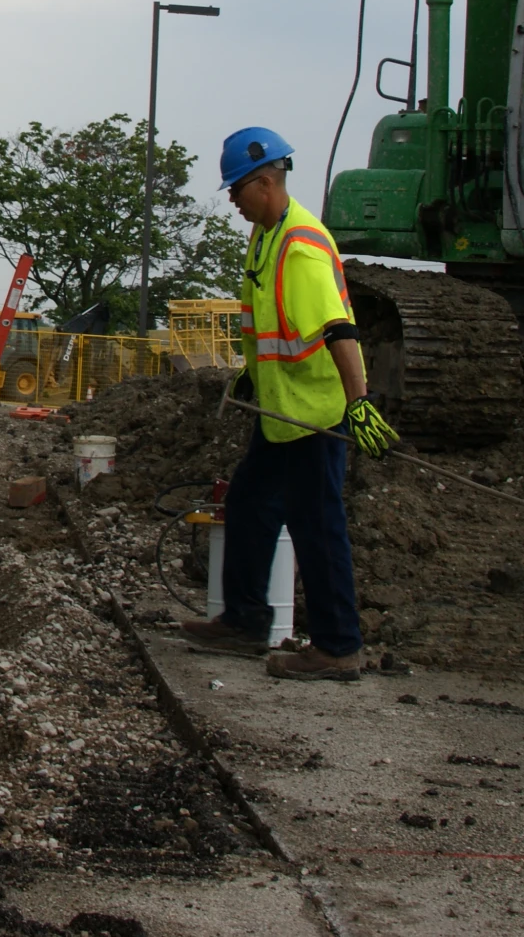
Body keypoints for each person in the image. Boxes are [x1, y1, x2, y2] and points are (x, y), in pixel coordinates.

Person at [180, 127, 394, 681]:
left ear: (266, 182)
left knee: (316, 526)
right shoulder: (266, 234)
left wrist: (359, 403)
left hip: (315, 414)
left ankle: (338, 647)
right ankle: (247, 621)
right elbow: (269, 321)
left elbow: (338, 329)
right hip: (282, 411)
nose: (230, 199)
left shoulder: (299, 245)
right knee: (251, 503)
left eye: (236, 189)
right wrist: (254, 375)